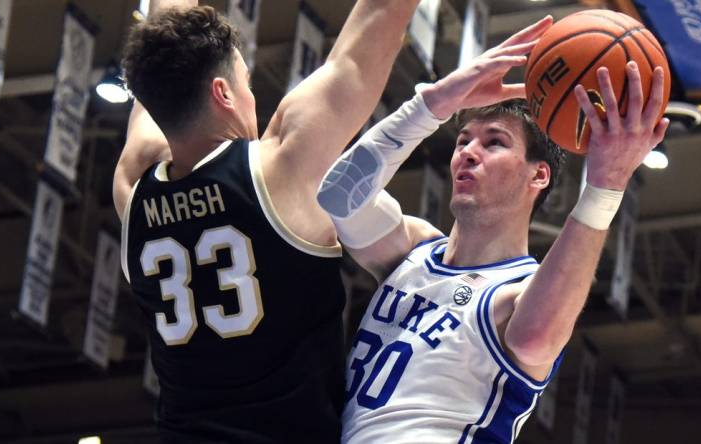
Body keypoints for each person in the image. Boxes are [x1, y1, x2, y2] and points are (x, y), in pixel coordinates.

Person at [317, 17, 669, 443]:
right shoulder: (412, 252)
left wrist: (605, 185)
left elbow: (537, 337)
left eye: (494, 142)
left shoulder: (516, 292)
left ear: (538, 176)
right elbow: (339, 195)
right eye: (463, 140)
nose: (467, 153)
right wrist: (432, 105)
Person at [112, 0, 420, 442]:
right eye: (247, 83)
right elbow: (380, 20)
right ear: (223, 93)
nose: (253, 97)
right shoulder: (280, 171)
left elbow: (161, 62)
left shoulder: (133, 188)